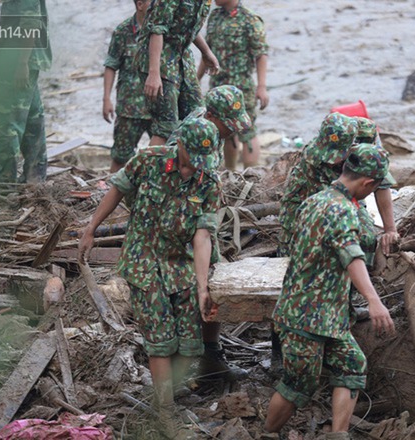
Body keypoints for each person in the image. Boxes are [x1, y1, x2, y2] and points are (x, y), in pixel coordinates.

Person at [78, 118, 221, 440]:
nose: (197, 165)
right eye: (193, 155)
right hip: (144, 261)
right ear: (180, 144)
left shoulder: (208, 180)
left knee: (188, 342)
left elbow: (202, 236)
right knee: (160, 340)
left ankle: (170, 390)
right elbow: (116, 191)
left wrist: (202, 287)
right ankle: (165, 411)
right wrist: (90, 229)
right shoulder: (149, 160)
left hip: (179, 263)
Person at [263, 145, 396, 440]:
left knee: (352, 364)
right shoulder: (342, 210)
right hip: (306, 317)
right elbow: (351, 256)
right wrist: (374, 301)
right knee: (299, 383)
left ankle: (338, 435)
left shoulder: (315, 200)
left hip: (328, 316)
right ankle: (267, 433)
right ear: (368, 184)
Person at [167, 84, 252, 381]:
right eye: (228, 126)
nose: (231, 132)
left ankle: (210, 354)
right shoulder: (187, 137)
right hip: (181, 223)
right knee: (189, 288)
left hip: (201, 215)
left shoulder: (212, 129)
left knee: (212, 281)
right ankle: (185, 364)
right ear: (212, 115)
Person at [198, 0, 269, 169]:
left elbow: (261, 54)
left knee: (247, 132)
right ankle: (229, 176)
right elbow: (207, 53)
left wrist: (262, 86)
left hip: (241, 88)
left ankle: (250, 178)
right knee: (225, 132)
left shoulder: (250, 19)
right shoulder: (214, 17)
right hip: (218, 88)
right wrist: (197, 79)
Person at [137, 0, 220, 146]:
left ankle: (188, 166)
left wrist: (206, 53)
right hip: (160, 59)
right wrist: (154, 73)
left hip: (182, 58)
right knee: (166, 126)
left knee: (197, 118)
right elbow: (157, 29)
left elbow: (187, 28)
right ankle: (150, 167)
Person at [277, 112, 359, 257]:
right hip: (298, 217)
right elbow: (331, 200)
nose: (331, 160)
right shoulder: (313, 158)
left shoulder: (358, 143)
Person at [0, 0, 52, 183]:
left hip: (18, 62)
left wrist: (21, 63)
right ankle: (35, 179)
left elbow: (30, 23)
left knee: (5, 124)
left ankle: (6, 183)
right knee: (33, 118)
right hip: (21, 60)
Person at [103, 0, 152, 173]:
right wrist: (106, 99)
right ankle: (113, 197)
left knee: (166, 155)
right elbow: (111, 65)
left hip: (158, 108)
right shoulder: (123, 31)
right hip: (129, 110)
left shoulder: (163, 31)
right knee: (120, 158)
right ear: (140, 5)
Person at [353, 117, 399, 255]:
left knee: (367, 239)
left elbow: (382, 184)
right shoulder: (330, 152)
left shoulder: (370, 134)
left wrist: (390, 230)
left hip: (352, 196)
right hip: (319, 196)